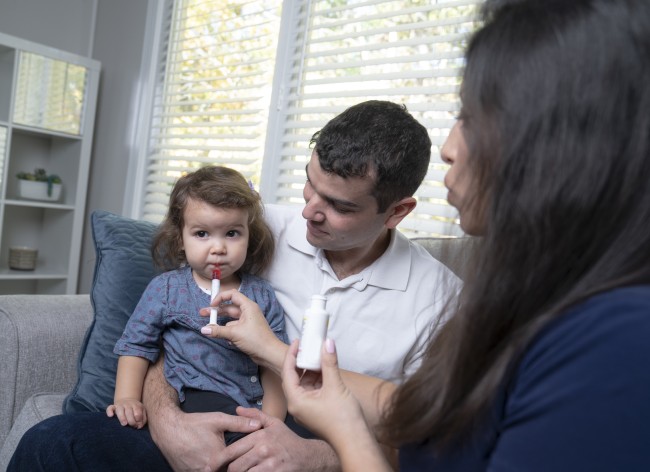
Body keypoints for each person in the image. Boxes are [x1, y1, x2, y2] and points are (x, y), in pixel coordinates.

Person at [281, 0, 650, 470]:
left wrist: (343, 429)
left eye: (472, 119)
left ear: (558, 146)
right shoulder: (529, 300)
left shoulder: (618, 341)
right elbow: (419, 409)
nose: (450, 149)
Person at [9, 100, 460, 471]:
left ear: (397, 212)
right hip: (198, 416)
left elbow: (433, 442)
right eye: (309, 183)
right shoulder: (253, 231)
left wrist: (317, 457)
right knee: (53, 444)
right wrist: (168, 423)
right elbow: (172, 326)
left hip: (314, 454)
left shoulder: (441, 302)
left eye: (338, 205)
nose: (308, 212)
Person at [105, 165, 306, 445]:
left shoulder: (261, 294)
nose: (218, 248)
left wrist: (272, 422)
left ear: (250, 235)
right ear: (180, 238)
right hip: (196, 398)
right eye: (202, 234)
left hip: (254, 404)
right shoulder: (166, 290)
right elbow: (136, 346)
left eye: (232, 233)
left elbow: (272, 367)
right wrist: (126, 397)